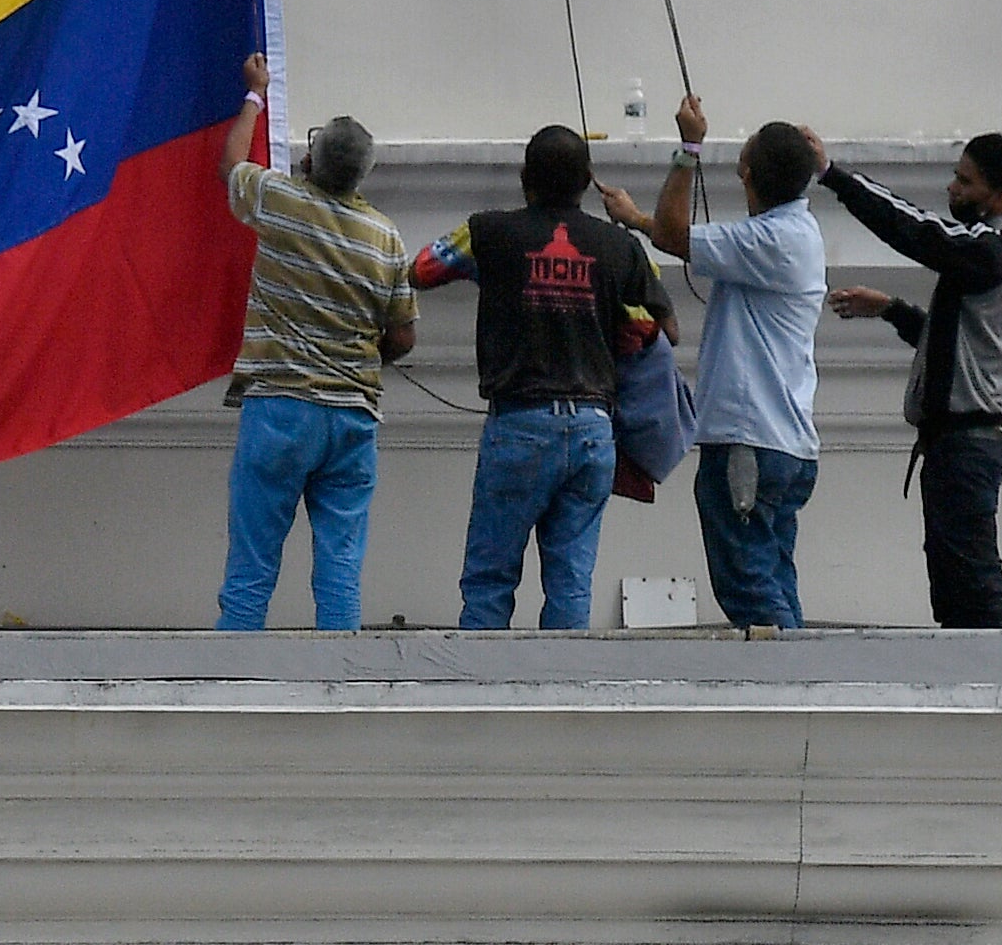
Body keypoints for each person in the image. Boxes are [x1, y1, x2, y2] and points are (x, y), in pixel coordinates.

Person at [412, 125, 660, 630]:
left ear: (525, 177)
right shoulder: (620, 247)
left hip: (519, 427)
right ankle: (564, 699)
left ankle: (479, 698)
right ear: (588, 182)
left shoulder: (489, 232)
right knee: (571, 581)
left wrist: (499, 271)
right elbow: (647, 325)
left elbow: (422, 270)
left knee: (489, 579)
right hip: (594, 429)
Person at [601, 97, 827, 630]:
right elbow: (673, 234)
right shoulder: (796, 233)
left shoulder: (770, 239)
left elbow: (677, 235)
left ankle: (786, 691)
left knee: (749, 588)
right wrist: (637, 219)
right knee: (773, 577)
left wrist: (689, 148)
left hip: (749, 441)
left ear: (747, 175)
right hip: (787, 444)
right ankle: (803, 678)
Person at [214, 56, 418, 630]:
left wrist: (255, 95)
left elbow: (230, 165)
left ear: (310, 158)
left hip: (280, 408)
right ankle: (342, 685)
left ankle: (235, 685)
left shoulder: (280, 200)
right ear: (362, 176)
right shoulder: (385, 237)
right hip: (353, 418)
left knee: (252, 567)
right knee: (340, 568)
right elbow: (402, 335)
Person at [811, 131, 1002, 627]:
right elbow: (952, 351)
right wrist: (891, 309)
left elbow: (913, 228)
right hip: (956, 447)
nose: (952, 189)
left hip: (965, 447)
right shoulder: (983, 261)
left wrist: (835, 177)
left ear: (1001, 198)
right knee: (954, 580)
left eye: (965, 180)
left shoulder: (987, 251)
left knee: (972, 580)